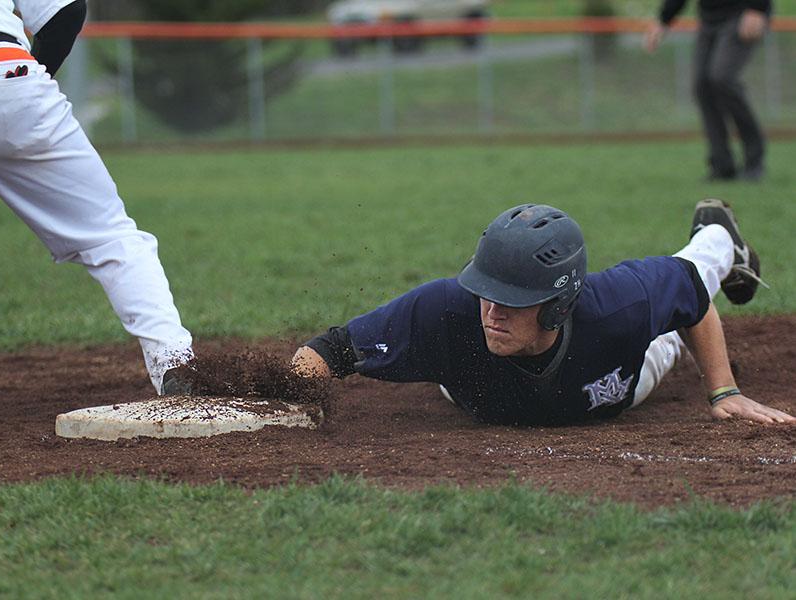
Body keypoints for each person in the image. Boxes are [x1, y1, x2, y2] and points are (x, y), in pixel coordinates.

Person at [0, 1, 193, 395]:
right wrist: (23, 91)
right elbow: (65, 12)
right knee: (109, 236)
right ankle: (174, 364)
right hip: (1, 72)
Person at [292, 200, 793, 426]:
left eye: (511, 301)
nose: (491, 312)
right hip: (471, 381)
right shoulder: (446, 313)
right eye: (486, 291)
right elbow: (330, 349)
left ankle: (719, 235)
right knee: (455, 345)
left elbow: (688, 294)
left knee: (694, 269)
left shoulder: (620, 308)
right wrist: (291, 403)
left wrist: (724, 391)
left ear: (557, 306)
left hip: (628, 372)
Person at [644, 1, 771, 181]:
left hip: (742, 13)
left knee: (722, 78)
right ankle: (722, 165)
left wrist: (757, 8)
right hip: (710, 18)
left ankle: (754, 159)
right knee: (702, 85)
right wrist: (663, 20)